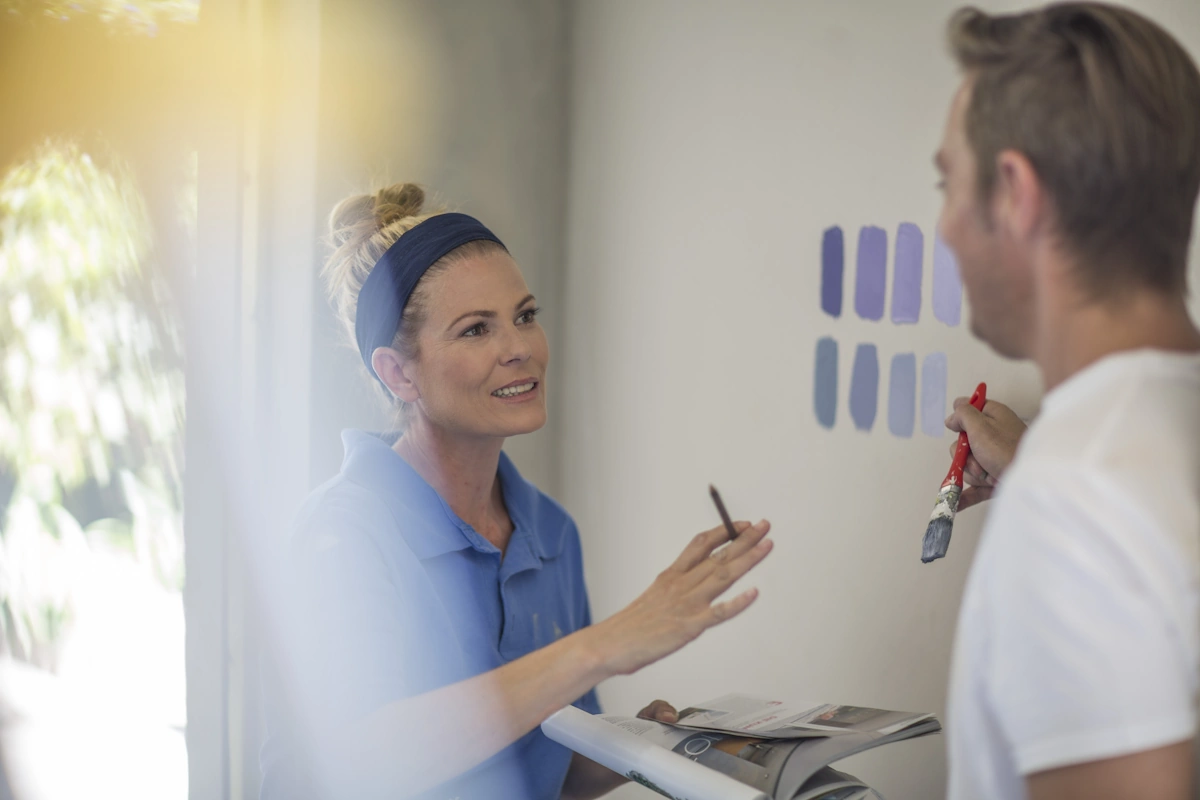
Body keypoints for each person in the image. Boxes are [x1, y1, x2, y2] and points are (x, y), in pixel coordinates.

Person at [258, 184, 773, 800]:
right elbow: (356, 763)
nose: (520, 349)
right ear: (398, 373)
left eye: (525, 316)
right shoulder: (341, 537)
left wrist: (641, 751)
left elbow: (550, 772)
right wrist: (603, 645)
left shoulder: (551, 534)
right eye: (476, 330)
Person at [933, 3, 1200, 799]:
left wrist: (1057, 494)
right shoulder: (1133, 456)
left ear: (1015, 192)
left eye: (948, 182)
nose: (943, 227)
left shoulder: (1072, 504)